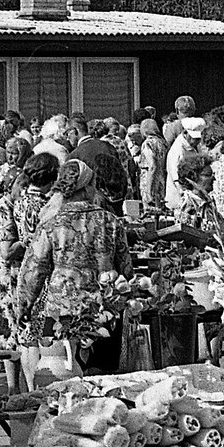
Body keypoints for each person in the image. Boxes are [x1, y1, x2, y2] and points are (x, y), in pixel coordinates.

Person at [17, 159, 131, 379]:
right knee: (103, 380)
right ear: (88, 187)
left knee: (62, 378)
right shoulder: (110, 222)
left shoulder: (51, 224)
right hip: (103, 311)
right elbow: (126, 270)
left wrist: (24, 305)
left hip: (61, 313)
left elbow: (34, 270)